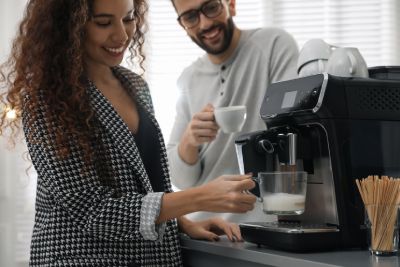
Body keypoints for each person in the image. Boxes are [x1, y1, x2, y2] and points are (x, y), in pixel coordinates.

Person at [0, 0, 257, 266]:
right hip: (79, 259)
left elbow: (147, 184)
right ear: (71, 26)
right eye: (103, 22)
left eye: (128, 18)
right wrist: (199, 197)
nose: (122, 35)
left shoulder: (135, 85)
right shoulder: (46, 100)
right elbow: (92, 210)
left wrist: (182, 221)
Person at [167, 0, 299, 222]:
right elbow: (182, 181)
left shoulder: (274, 45)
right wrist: (189, 140)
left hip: (262, 220)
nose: (205, 23)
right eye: (190, 17)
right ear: (183, 25)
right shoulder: (188, 79)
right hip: (203, 226)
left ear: (231, 4)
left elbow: (292, 127)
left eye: (211, 7)